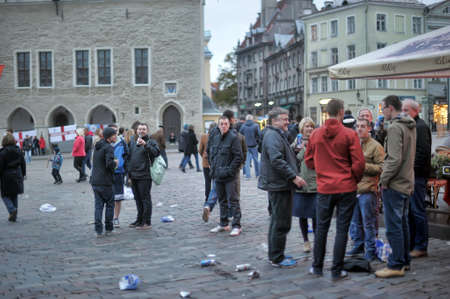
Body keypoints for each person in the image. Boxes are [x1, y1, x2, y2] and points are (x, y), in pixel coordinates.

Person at [305, 99, 365, 280]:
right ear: (341, 112)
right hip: (346, 186)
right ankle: (336, 270)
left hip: (324, 188)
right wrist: (354, 178)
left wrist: (322, 169)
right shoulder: (349, 134)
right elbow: (359, 163)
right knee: (341, 229)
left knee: (321, 228)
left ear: (326, 112)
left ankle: (317, 267)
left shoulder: (315, 134)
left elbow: (308, 161)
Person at [258, 107, 306, 267]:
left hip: (280, 184)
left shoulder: (277, 134)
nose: (288, 122)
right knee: (280, 222)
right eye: (284, 119)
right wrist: (294, 176)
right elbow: (276, 160)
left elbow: (281, 155)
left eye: (287, 119)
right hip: (279, 184)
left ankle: (276, 254)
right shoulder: (272, 135)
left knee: (278, 221)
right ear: (275, 120)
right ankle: (277, 257)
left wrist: (292, 151)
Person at [375, 95, 416, 278]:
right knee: (403, 223)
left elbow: (394, 158)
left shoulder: (395, 127)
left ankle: (396, 264)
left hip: (395, 183)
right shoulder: (409, 125)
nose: (382, 112)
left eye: (383, 108)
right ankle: (404, 260)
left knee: (394, 226)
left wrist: (383, 180)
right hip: (407, 181)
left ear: (390, 108)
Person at [347, 117, 385, 261]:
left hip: (368, 190)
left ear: (369, 128)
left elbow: (382, 167)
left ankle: (370, 249)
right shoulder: (353, 144)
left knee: (368, 222)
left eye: (363, 126)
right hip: (353, 188)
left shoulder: (376, 146)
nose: (359, 129)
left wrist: (362, 165)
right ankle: (358, 245)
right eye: (357, 126)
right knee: (355, 221)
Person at [402, 99, 432, 259]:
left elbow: (422, 154)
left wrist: (411, 172)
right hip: (411, 176)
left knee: (417, 211)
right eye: (402, 110)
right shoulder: (412, 126)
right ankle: (413, 244)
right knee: (411, 212)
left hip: (417, 176)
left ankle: (421, 246)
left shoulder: (420, 127)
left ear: (415, 111)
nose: (403, 112)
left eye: (406, 110)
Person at [208, 116, 243, 236]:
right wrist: (213, 168)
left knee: (233, 201)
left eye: (225, 124)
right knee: (222, 200)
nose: (223, 126)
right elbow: (212, 154)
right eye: (221, 124)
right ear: (218, 125)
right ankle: (223, 223)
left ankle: (237, 225)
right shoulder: (216, 138)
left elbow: (238, 157)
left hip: (229, 176)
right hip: (218, 175)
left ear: (229, 125)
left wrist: (229, 170)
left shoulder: (233, 138)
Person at [127, 123, 160, 230]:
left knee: (145, 198)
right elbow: (129, 158)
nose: (141, 131)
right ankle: (139, 219)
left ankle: (146, 222)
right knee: (137, 199)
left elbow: (156, 153)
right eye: (140, 129)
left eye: (144, 129)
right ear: (136, 131)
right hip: (134, 174)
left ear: (147, 131)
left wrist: (146, 145)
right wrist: (129, 174)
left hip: (145, 175)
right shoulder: (132, 142)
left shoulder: (151, 141)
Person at [292, 117, 317, 253]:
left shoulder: (318, 141)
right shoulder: (296, 143)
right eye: (307, 126)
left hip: (315, 183)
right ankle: (305, 240)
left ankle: (317, 239)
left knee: (315, 214)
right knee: (302, 214)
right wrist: (303, 149)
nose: (309, 129)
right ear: (302, 129)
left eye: (311, 126)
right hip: (301, 183)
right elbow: (294, 160)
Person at [90, 127, 118, 238]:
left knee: (98, 206)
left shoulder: (97, 146)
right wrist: (115, 163)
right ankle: (109, 228)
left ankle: (98, 230)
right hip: (105, 182)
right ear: (109, 136)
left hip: (95, 181)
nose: (116, 136)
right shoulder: (108, 148)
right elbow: (109, 164)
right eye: (114, 135)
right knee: (110, 205)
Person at [0, 133, 26, 222]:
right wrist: (24, 174)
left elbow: (1, 166)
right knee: (14, 194)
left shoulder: (2, 152)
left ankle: (12, 210)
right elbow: (23, 163)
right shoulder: (18, 150)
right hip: (17, 174)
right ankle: (13, 214)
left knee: (4, 195)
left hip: (7, 175)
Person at [109, 125, 129, 228]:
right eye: (112, 131)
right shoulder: (104, 143)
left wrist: (126, 170)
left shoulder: (122, 142)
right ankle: (109, 217)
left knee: (118, 197)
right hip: (107, 174)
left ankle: (116, 218)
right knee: (109, 198)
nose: (114, 133)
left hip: (119, 173)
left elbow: (127, 156)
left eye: (116, 131)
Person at [240, 114, 261, 179]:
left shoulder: (243, 126)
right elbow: (259, 135)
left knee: (247, 161)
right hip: (254, 145)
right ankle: (257, 174)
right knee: (256, 160)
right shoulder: (256, 125)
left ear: (246, 119)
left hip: (246, 145)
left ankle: (248, 175)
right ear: (252, 119)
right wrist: (257, 141)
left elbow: (240, 134)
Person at [199, 122, 216, 203]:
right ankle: (216, 197)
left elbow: (200, 150)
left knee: (207, 181)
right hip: (216, 162)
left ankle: (207, 197)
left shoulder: (204, 137)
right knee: (216, 181)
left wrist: (203, 155)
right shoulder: (218, 137)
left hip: (206, 162)